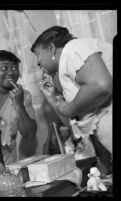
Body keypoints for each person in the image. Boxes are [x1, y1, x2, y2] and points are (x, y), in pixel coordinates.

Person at [31, 26, 112, 157]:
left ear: (51, 48)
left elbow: (101, 85)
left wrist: (67, 109)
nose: (37, 62)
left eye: (37, 54)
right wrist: (53, 98)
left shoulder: (72, 49)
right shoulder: (70, 67)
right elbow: (74, 125)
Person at [0, 50, 37, 187]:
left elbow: (29, 134)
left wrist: (19, 104)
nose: (11, 72)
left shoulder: (24, 96)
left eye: (15, 68)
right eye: (4, 67)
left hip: (8, 172)